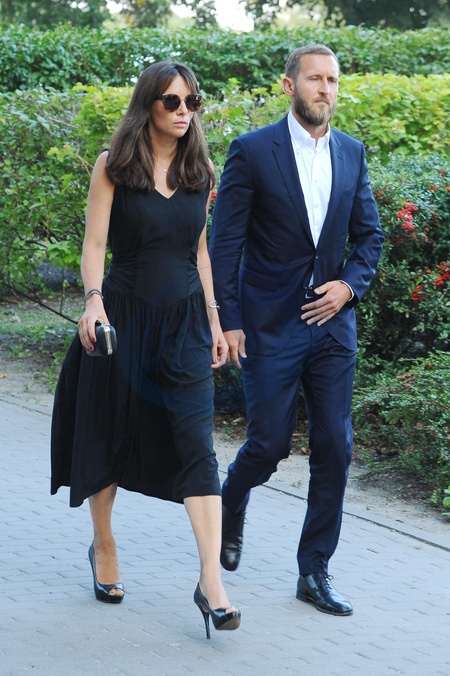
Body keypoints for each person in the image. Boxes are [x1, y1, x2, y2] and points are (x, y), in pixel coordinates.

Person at [51, 61, 241, 639]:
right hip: (124, 318)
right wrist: (92, 303)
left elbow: (200, 254)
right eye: (171, 101)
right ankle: (104, 544)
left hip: (184, 325)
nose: (184, 111)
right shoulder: (114, 166)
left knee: (197, 444)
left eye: (192, 101)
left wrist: (215, 320)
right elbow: (94, 245)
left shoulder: (200, 170)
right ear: (148, 105)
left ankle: (211, 581)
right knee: (109, 430)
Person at [209, 44, 385, 616]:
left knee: (335, 445)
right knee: (269, 444)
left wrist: (348, 287)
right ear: (290, 86)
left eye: (332, 80)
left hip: (332, 328)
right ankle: (231, 497)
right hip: (269, 325)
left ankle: (314, 570)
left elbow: (370, 236)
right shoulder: (253, 150)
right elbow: (225, 243)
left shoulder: (352, 152)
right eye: (314, 79)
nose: (325, 89)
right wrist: (229, 321)